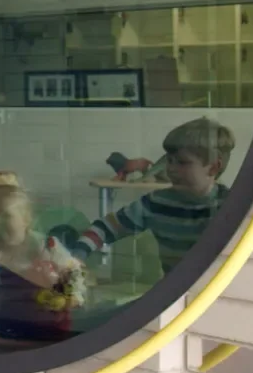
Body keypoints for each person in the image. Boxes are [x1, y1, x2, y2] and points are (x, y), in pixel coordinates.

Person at [67, 117, 235, 276]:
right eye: (169, 161)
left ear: (214, 167)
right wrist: (76, 258)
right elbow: (104, 228)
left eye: (182, 162)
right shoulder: (155, 203)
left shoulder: (229, 206)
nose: (171, 169)